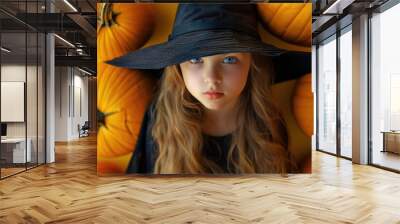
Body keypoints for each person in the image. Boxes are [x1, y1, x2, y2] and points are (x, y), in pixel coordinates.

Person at [107, 4, 310, 174]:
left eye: (229, 59)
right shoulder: (162, 118)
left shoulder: (266, 119)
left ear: (253, 65)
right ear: (178, 68)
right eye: (195, 59)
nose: (212, 78)